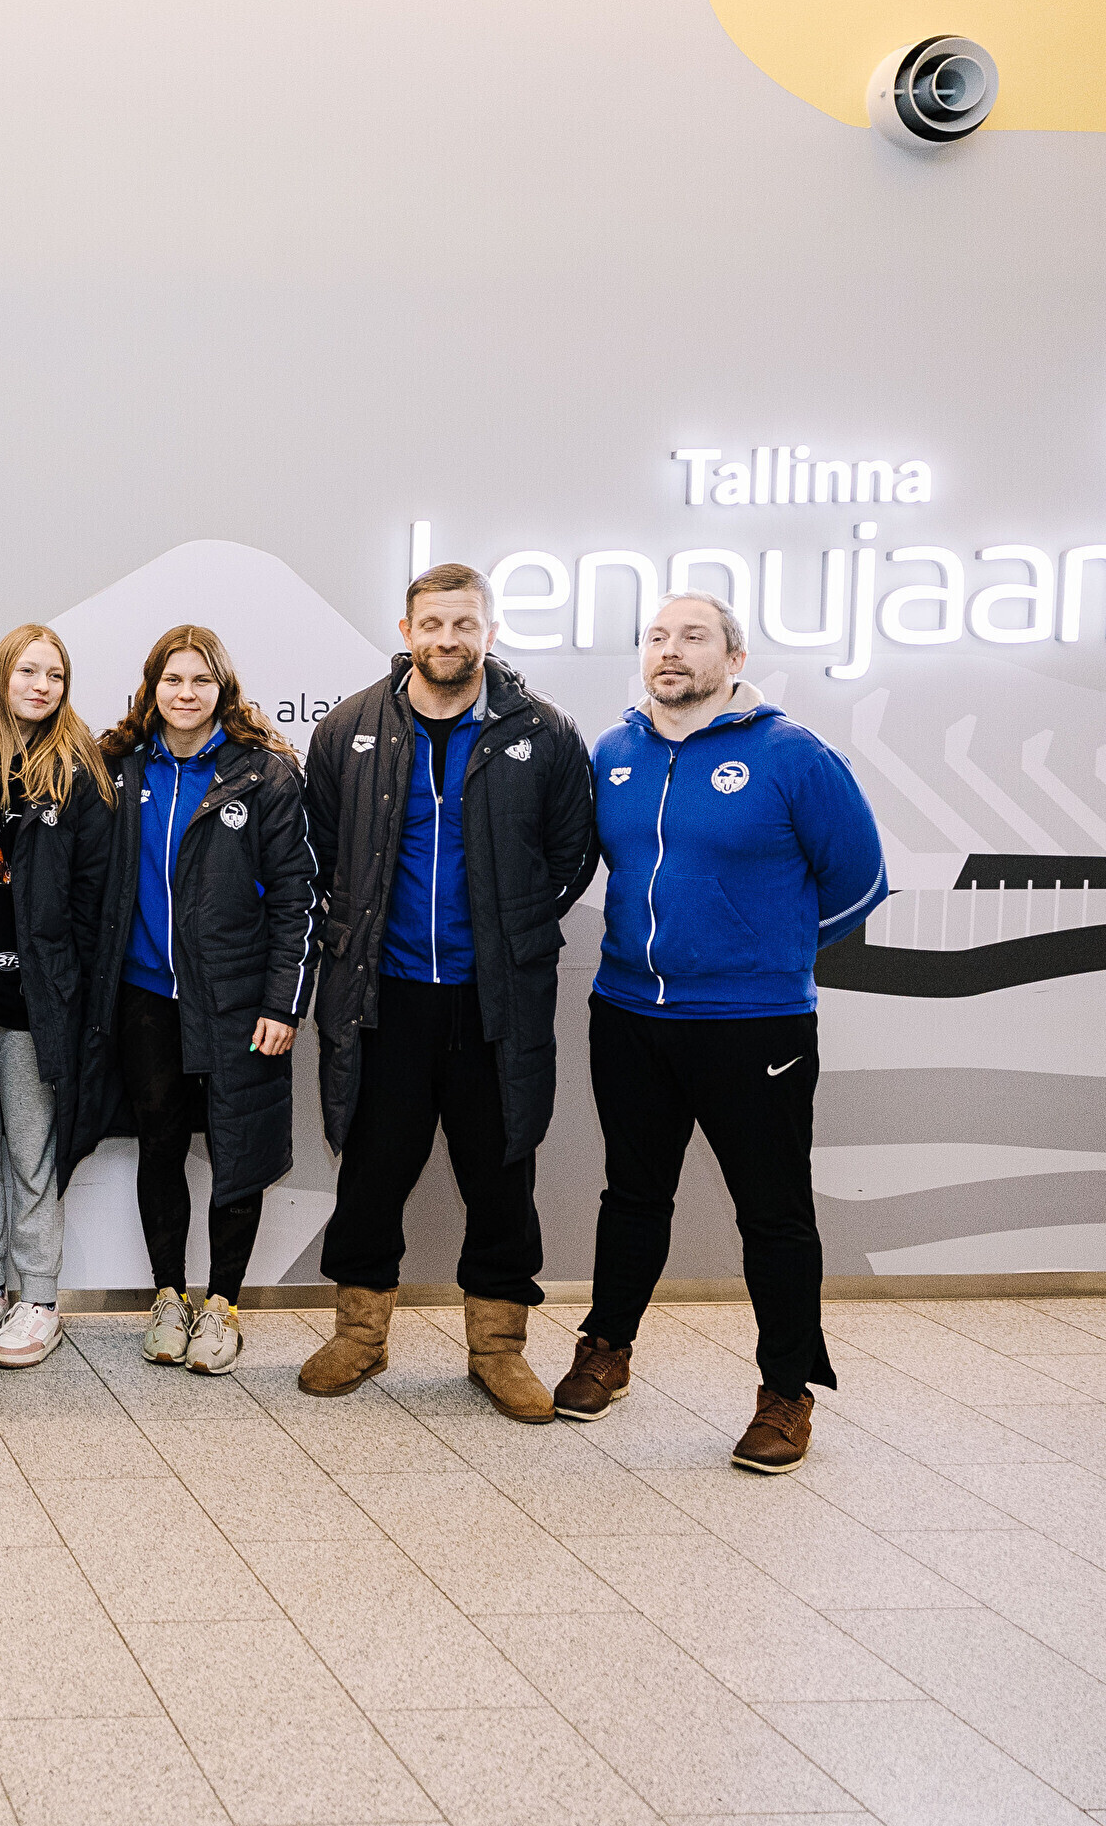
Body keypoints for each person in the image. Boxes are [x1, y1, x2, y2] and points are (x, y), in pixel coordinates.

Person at [560, 591, 885, 1473]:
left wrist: (765, 955)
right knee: (632, 1196)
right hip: (629, 1013)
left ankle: (787, 1393)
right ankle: (606, 1350)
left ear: (734, 659)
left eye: (693, 636)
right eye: (657, 637)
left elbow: (860, 879)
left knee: (774, 1216)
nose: (671, 651)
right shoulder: (615, 751)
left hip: (755, 1026)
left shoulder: (792, 754)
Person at [298, 564, 595, 1421]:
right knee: (372, 1172)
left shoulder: (542, 731)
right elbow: (322, 850)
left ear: (490, 633)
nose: (448, 639)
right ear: (407, 632)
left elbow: (573, 855)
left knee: (501, 1175)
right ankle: (360, 1336)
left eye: (465, 624)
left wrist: (513, 932)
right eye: (432, 623)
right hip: (383, 995)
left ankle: (498, 1349)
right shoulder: (350, 727)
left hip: (493, 999)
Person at [87, 625, 317, 1377]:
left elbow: (298, 899)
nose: (185, 694)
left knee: (238, 1153)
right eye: (172, 680)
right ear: (151, 688)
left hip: (240, 1001)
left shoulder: (265, 774)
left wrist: (282, 1004)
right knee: (159, 1145)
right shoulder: (119, 766)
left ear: (224, 689)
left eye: (200, 681)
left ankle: (223, 1305)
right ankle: (168, 1296)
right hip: (146, 998)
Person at [0, 625, 116, 1371]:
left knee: (32, 1153)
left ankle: (38, 1298)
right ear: (1, 674)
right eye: (28, 671)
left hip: (38, 1000)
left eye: (55, 674)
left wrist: (74, 995)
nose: (42, 686)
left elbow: (94, 902)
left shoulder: (81, 772)